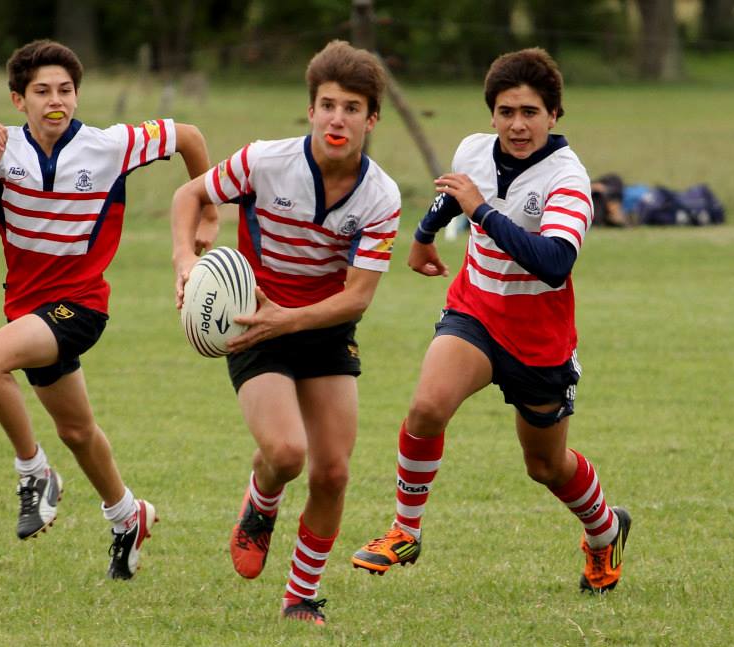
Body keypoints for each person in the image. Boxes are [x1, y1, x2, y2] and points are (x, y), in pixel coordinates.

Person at [0, 39, 217, 579]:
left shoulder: (109, 145)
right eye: (41, 91)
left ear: (77, 95)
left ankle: (34, 473)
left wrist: (206, 213)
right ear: (18, 100)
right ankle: (128, 514)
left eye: (65, 90)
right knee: (78, 432)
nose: (54, 100)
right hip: (28, 312)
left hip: (80, 307)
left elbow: (190, 138)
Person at [351, 48, 632, 594]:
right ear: (492, 115)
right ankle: (405, 530)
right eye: (506, 112)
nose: (517, 125)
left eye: (530, 112)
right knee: (427, 407)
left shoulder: (568, 180)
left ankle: (605, 531)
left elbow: (554, 263)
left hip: (539, 340)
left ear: (554, 116)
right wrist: (424, 237)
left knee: (546, 466)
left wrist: (482, 210)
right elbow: (454, 194)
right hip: (475, 310)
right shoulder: (475, 151)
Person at [170, 40, 401, 625]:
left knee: (333, 471)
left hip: (324, 327)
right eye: (327, 104)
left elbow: (357, 298)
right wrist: (183, 263)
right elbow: (189, 193)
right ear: (310, 110)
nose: (337, 118)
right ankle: (263, 495)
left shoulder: (381, 196)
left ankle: (300, 596)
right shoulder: (265, 161)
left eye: (352, 108)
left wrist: (292, 318)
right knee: (287, 453)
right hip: (254, 324)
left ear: (371, 119)